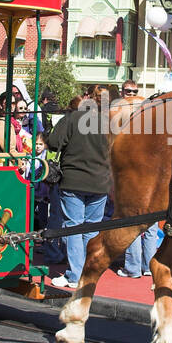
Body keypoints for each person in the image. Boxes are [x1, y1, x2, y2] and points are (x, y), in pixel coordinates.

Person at [44, 92, 110, 290]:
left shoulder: (71, 118)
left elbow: (54, 143)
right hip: (100, 182)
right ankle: (88, 273)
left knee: (74, 227)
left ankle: (75, 275)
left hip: (74, 181)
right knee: (91, 228)